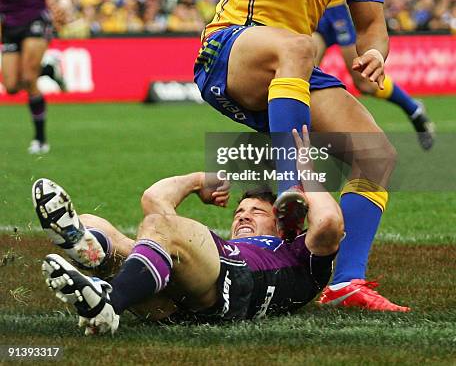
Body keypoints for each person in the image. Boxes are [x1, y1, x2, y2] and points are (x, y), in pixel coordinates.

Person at [194, 0, 409, 310]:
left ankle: (344, 283)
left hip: (289, 69)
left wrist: (375, 54)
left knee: (377, 155)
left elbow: (372, 25)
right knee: (296, 43)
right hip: (230, 47)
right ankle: (293, 188)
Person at [35, 128, 350, 335]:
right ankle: (90, 249)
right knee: (98, 222)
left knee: (159, 225)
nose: (243, 216)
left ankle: (109, 301)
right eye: (239, 211)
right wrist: (200, 180)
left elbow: (328, 223)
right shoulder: (226, 245)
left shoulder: (297, 256)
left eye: (256, 212)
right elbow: (153, 197)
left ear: (282, 225)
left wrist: (307, 174)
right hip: (176, 306)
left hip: (235, 283)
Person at [314, 0, 435, 150]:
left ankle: (413, 109)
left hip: (338, 11)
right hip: (314, 9)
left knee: (365, 83)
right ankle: (286, 143)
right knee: (303, 74)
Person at [0, 0, 71, 154]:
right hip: (7, 23)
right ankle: (48, 71)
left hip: (35, 18)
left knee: (28, 78)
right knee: (10, 86)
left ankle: (40, 139)